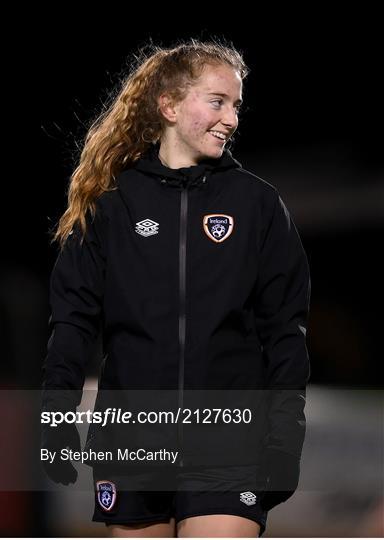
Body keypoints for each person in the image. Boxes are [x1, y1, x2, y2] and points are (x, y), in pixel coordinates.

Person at [41, 39, 311, 538]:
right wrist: (55, 417)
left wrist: (284, 440)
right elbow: (73, 321)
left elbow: (285, 333)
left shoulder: (258, 205)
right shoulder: (110, 203)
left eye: (236, 106)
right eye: (217, 101)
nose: (231, 118)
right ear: (168, 105)